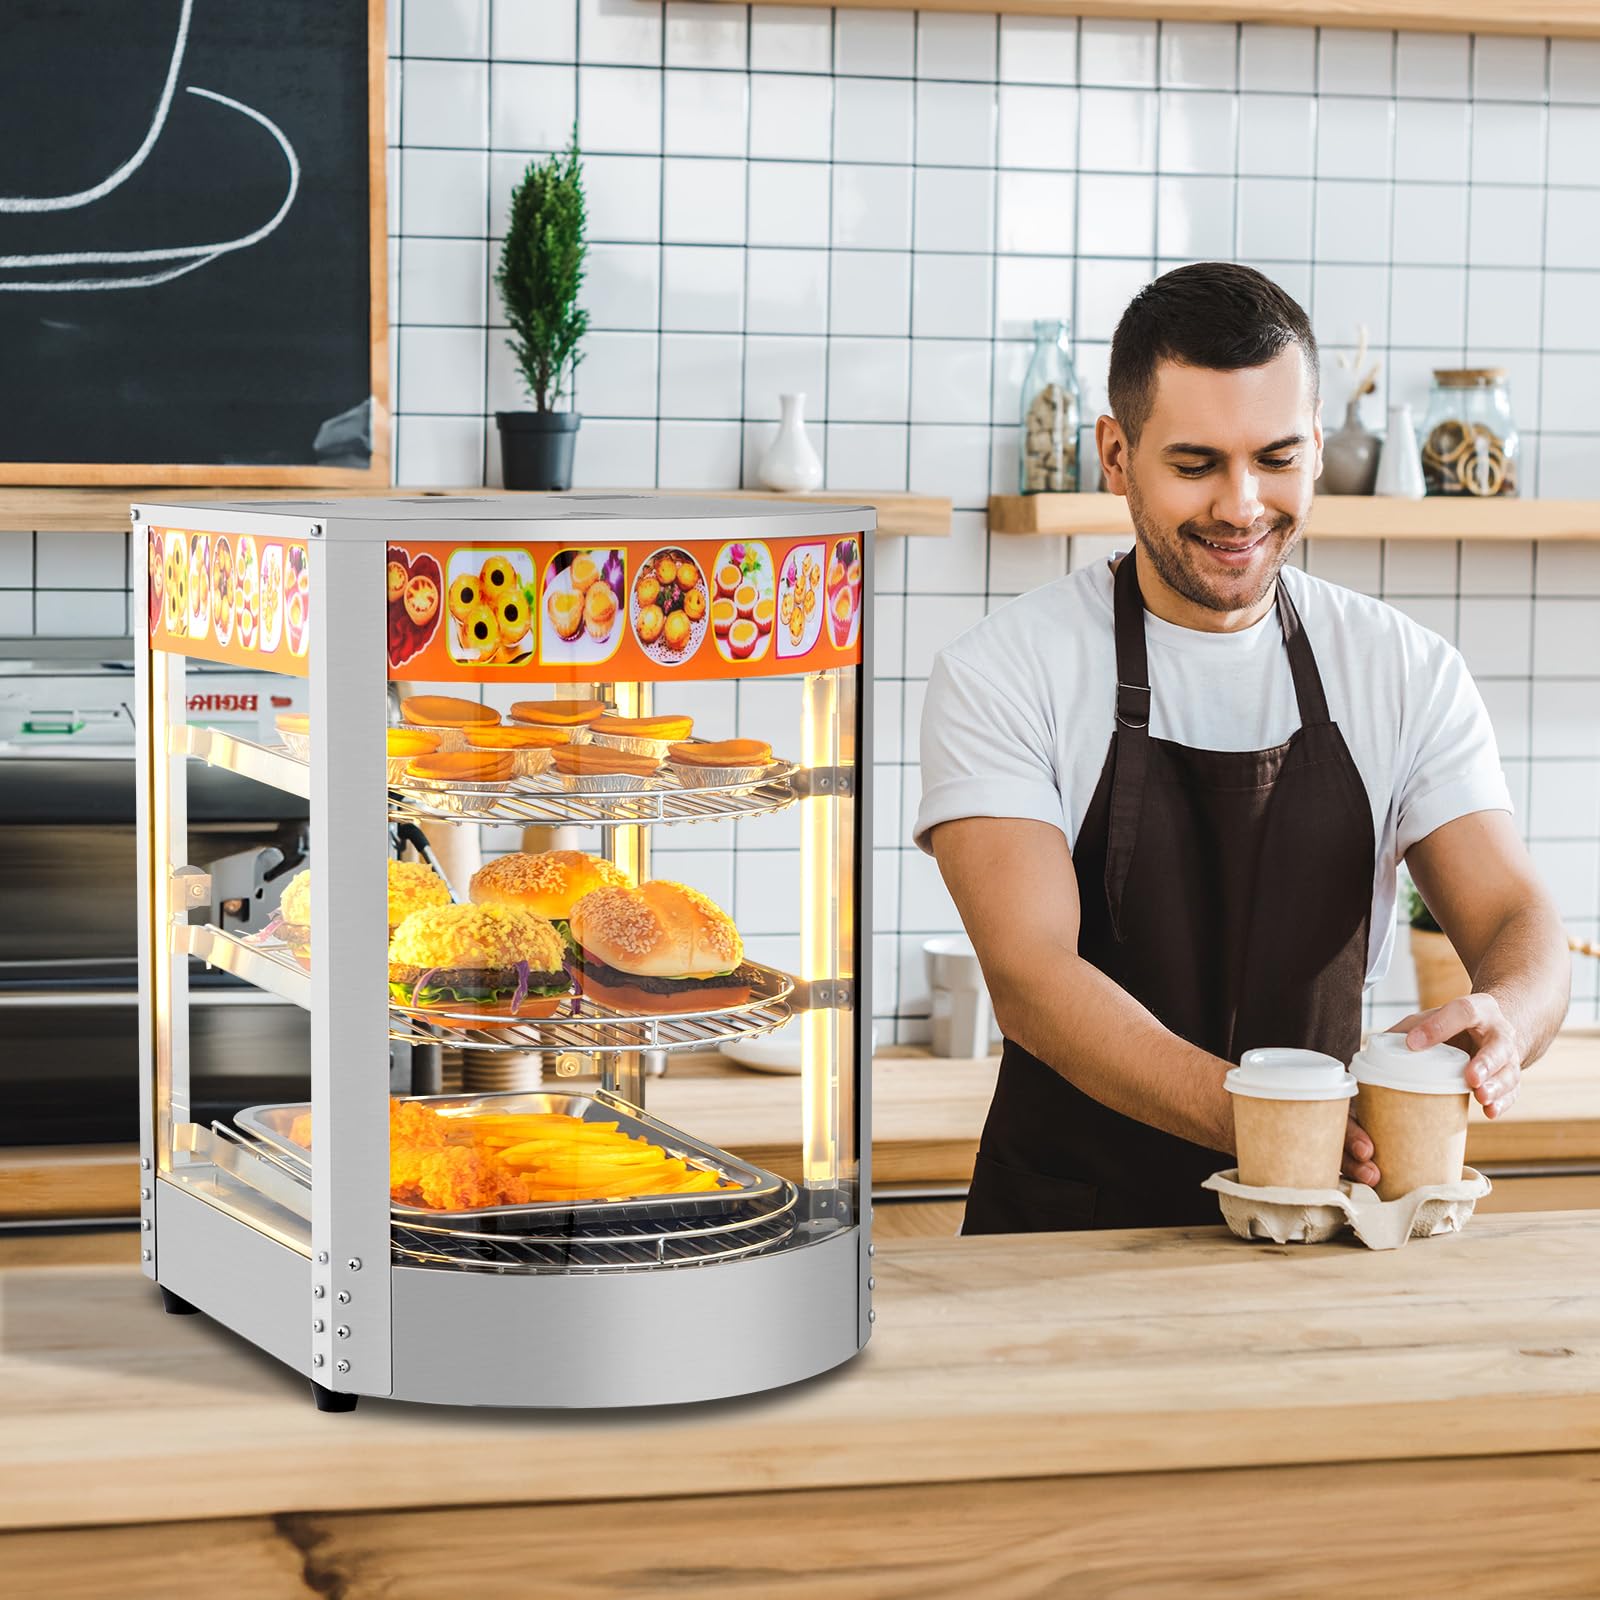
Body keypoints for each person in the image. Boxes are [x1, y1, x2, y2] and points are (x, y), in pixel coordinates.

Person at [914, 262, 1571, 1233]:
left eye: (1275, 457)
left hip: (1319, 1229)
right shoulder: (1004, 671)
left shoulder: (1404, 670)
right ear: (1113, 452)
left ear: (1315, 444)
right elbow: (1032, 979)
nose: (1241, 504)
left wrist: (1507, 1017)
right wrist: (1268, 1118)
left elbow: (1516, 913)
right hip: (1063, 1243)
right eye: (1195, 464)